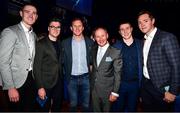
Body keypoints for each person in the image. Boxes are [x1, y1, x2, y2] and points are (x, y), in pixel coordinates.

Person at [137, 10, 180, 111]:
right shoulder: (143, 40)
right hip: (146, 85)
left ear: (153, 21)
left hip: (162, 89)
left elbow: (177, 66)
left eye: (145, 21)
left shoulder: (167, 37)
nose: (142, 24)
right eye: (139, 22)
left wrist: (173, 91)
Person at [0, 3, 38, 111]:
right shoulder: (10, 32)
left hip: (31, 78)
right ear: (21, 13)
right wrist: (10, 87)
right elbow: (2, 62)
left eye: (34, 13)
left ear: (36, 17)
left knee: (29, 108)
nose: (31, 15)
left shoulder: (34, 35)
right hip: (15, 81)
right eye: (27, 12)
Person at [61, 17, 94, 111]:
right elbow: (61, 61)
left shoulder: (90, 42)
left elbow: (93, 60)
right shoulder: (65, 43)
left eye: (79, 26)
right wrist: (65, 73)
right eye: (74, 26)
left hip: (86, 78)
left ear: (83, 28)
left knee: (86, 104)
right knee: (73, 104)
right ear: (71, 28)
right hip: (71, 79)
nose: (77, 28)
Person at [33, 18, 63, 112]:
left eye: (58, 27)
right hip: (45, 83)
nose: (55, 29)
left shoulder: (60, 43)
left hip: (58, 82)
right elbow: (36, 67)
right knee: (44, 109)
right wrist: (40, 87)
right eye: (52, 27)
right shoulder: (41, 44)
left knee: (57, 107)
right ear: (48, 28)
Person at [112, 21, 143, 112]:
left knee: (132, 109)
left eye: (127, 28)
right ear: (119, 32)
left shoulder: (141, 44)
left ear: (131, 29)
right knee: (118, 109)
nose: (125, 31)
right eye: (122, 29)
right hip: (120, 84)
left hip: (135, 84)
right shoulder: (115, 46)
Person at [90, 27, 123, 112]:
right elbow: (94, 68)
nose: (100, 39)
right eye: (97, 36)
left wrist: (115, 92)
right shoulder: (93, 49)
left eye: (103, 36)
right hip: (94, 89)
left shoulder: (115, 52)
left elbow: (118, 74)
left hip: (108, 91)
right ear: (94, 38)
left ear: (107, 35)